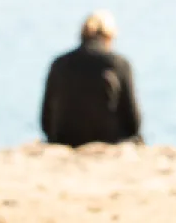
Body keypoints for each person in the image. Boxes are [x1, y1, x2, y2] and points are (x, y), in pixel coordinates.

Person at [40, 10, 143, 148]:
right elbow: (133, 123)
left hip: (65, 138)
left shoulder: (59, 64)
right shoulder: (119, 64)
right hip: (109, 139)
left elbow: (45, 120)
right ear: (109, 37)